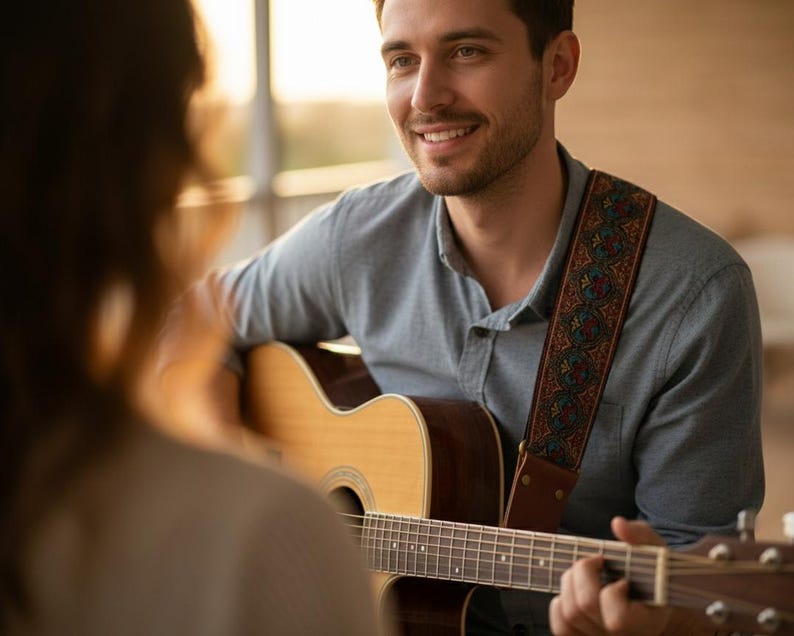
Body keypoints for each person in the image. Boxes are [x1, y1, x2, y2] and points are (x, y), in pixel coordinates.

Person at [160, 0, 765, 633]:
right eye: (402, 60)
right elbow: (192, 322)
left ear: (557, 66)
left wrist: (659, 625)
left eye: (466, 52)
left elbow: (714, 604)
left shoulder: (694, 295)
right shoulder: (359, 237)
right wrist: (237, 473)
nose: (426, 96)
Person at [0, 1, 382, 634]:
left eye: (467, 51)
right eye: (399, 60)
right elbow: (208, 314)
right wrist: (220, 445)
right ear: (164, 162)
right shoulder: (268, 538)